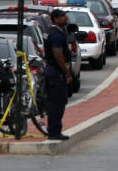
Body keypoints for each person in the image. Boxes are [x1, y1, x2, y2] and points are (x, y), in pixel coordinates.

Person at [43, 9, 73, 140]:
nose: (65, 17)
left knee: (57, 102)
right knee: (57, 103)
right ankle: (54, 132)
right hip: (56, 72)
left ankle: (54, 130)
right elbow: (58, 55)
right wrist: (67, 73)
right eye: (62, 16)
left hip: (52, 70)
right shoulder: (55, 35)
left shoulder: (53, 31)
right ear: (55, 19)